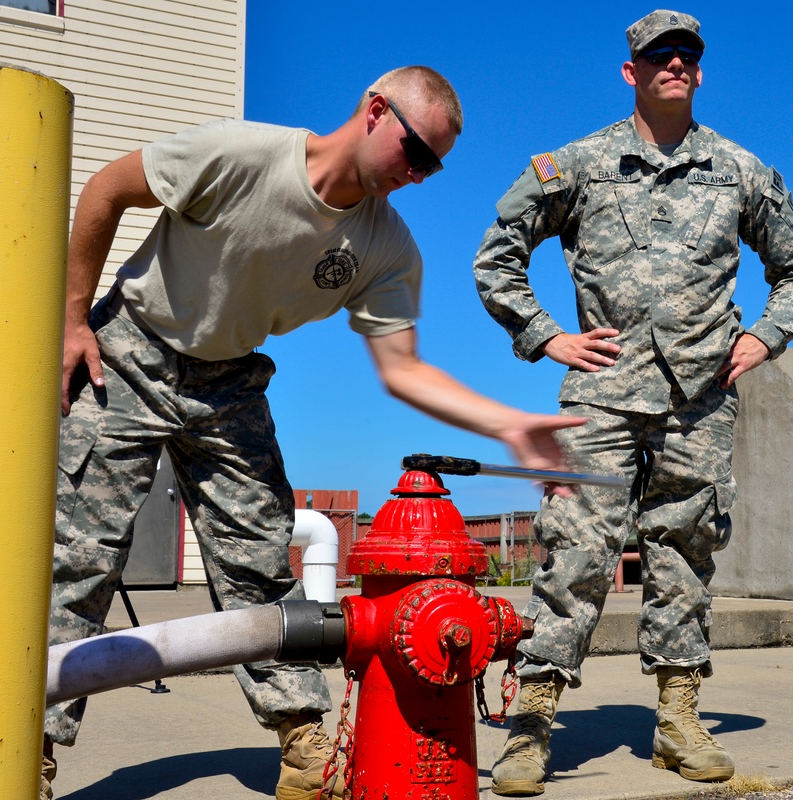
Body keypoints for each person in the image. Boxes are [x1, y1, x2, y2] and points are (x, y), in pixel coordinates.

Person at [43, 66, 586, 800]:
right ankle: (28, 749)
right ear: (375, 110)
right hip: (129, 351)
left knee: (260, 564)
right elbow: (107, 188)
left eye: (433, 167)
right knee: (78, 564)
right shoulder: (239, 154)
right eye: (415, 152)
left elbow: (403, 370)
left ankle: (303, 745)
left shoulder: (386, 247)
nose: (418, 176)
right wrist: (73, 318)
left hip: (229, 382)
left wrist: (508, 423)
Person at [473, 10, 793, 796]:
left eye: (688, 54)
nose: (676, 63)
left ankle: (678, 721)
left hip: (699, 399)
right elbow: (497, 255)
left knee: (685, 555)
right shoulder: (579, 164)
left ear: (700, 71)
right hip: (600, 395)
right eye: (659, 54)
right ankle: (532, 726)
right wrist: (545, 336)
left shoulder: (741, 171)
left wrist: (764, 338)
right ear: (630, 71)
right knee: (575, 553)